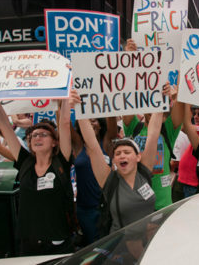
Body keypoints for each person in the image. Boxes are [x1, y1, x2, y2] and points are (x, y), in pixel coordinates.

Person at [0, 96, 75, 256]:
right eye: (34, 135)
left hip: (58, 243)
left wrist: (64, 97)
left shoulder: (61, 162)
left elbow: (64, 124)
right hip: (29, 244)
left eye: (43, 134)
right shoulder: (24, 161)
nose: (37, 137)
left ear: (54, 142)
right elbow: (4, 125)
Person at [70, 89, 163, 233]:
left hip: (149, 238)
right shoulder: (109, 180)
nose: (122, 156)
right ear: (114, 160)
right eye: (118, 153)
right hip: (122, 244)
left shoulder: (144, 172)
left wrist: (161, 99)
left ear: (138, 157)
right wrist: (80, 110)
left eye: (127, 152)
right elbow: (93, 146)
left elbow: (153, 134)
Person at [122, 39, 183, 210]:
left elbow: (179, 106)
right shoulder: (135, 126)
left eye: (155, 98)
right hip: (137, 203)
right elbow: (124, 95)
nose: (151, 103)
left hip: (162, 204)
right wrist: (129, 60)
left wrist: (176, 96)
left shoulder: (167, 129)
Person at [71, 116, 117, 245]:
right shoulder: (78, 145)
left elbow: (112, 121)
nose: (91, 123)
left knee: (110, 244)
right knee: (93, 246)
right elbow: (65, 126)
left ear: (101, 125)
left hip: (107, 206)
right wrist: (61, 105)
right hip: (85, 208)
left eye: (94, 120)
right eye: (87, 120)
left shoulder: (107, 143)